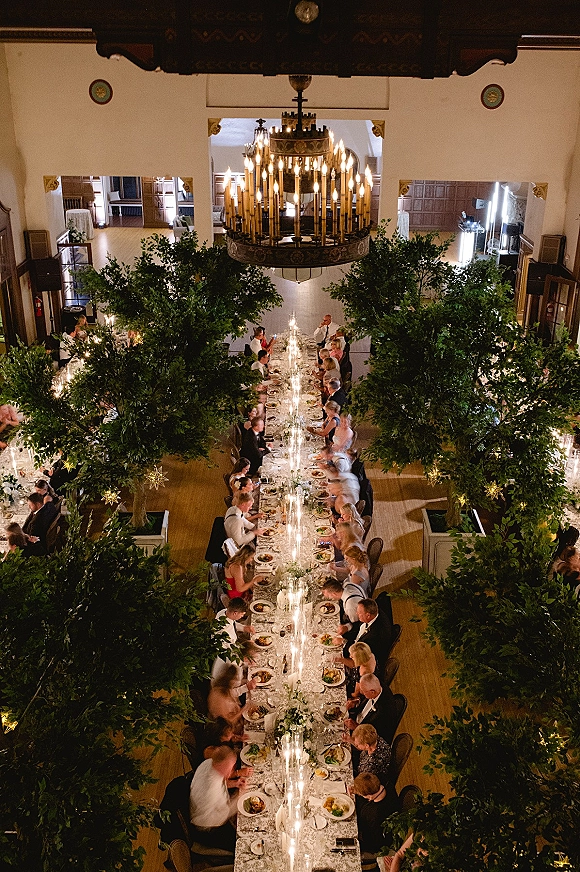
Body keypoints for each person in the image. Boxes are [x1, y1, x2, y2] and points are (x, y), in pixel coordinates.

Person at [189, 745, 246, 852]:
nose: (233, 770)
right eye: (231, 767)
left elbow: (221, 782)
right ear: (220, 766)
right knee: (243, 843)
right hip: (208, 828)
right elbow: (223, 814)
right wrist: (240, 797)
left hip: (205, 809)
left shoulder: (208, 763)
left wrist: (235, 783)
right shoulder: (211, 790)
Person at [352, 772, 399, 854]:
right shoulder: (386, 783)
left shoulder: (373, 814)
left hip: (376, 842)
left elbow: (373, 841)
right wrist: (356, 790)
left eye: (361, 794)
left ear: (369, 796)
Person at [343, 599, 393, 670]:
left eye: (359, 612)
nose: (357, 613)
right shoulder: (374, 613)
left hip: (364, 660)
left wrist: (344, 642)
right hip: (357, 642)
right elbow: (358, 626)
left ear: (368, 615)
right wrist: (347, 627)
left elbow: (358, 653)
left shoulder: (374, 636)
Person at [344, 674, 396, 741]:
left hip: (364, 737)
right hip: (357, 718)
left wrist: (356, 727)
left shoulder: (385, 711)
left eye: (363, 691)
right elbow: (363, 698)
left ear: (372, 692)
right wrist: (356, 702)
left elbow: (375, 736)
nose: (361, 692)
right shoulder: (376, 685)